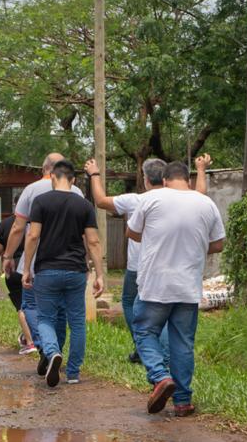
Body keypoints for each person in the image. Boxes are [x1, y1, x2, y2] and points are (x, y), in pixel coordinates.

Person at [88, 155, 211, 362]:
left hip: (142, 268)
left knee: (134, 306)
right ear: (166, 179)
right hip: (178, 271)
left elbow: (101, 201)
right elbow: (200, 194)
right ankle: (149, 351)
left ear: (145, 179)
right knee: (168, 317)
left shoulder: (137, 200)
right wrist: (200, 169)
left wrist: (94, 174)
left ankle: (154, 351)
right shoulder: (185, 199)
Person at [127, 161, 225, 416]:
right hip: (187, 287)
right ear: (188, 181)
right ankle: (182, 401)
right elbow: (218, 244)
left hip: (154, 285)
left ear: (166, 180)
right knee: (182, 342)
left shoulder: (151, 199)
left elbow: (132, 233)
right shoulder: (206, 203)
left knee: (145, 331)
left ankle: (160, 376)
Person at [21, 159, 104, 387]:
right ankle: (74, 373)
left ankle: (52, 352)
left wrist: (26, 268)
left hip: (47, 270)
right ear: (74, 180)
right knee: (76, 321)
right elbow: (94, 241)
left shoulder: (41, 202)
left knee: (46, 318)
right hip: (76, 271)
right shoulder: (84, 205)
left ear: (53, 178)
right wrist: (99, 274)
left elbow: (33, 236)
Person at [3, 153, 85, 375]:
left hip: (40, 262)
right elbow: (87, 232)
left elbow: (20, 228)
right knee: (63, 314)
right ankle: (61, 358)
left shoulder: (31, 190)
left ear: (45, 170)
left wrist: (9, 256)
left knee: (30, 306)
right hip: (72, 263)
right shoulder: (76, 192)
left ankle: (47, 349)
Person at [0, 205, 36, 355]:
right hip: (37, 268)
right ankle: (38, 338)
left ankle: (30, 342)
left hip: (13, 268)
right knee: (38, 305)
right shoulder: (38, 222)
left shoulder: (6, 224)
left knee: (21, 305)